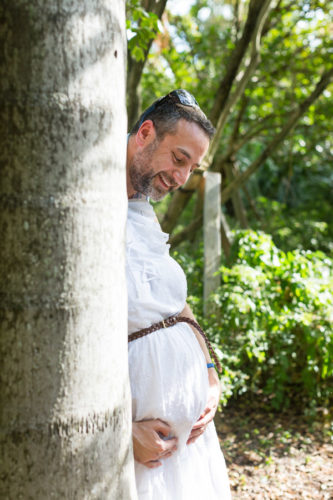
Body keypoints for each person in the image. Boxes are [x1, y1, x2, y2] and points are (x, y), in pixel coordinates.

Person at [126, 89, 231, 499]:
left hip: (191, 449)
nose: (183, 178)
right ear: (146, 132)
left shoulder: (143, 213)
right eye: (179, 158)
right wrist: (120, 431)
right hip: (139, 454)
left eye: (193, 167)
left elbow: (176, 310)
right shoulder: (84, 208)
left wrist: (209, 374)